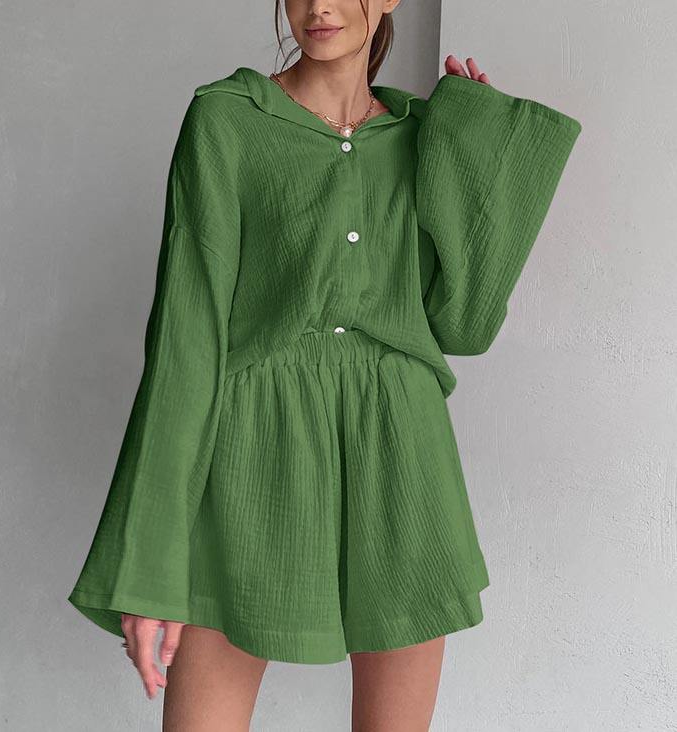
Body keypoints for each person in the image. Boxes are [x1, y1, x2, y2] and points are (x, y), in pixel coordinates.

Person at [67, 0, 582, 728]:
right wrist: (148, 566)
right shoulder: (227, 120)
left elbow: (462, 324)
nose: (319, 5)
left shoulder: (423, 138)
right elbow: (186, 340)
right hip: (253, 454)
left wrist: (474, 152)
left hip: (401, 455)